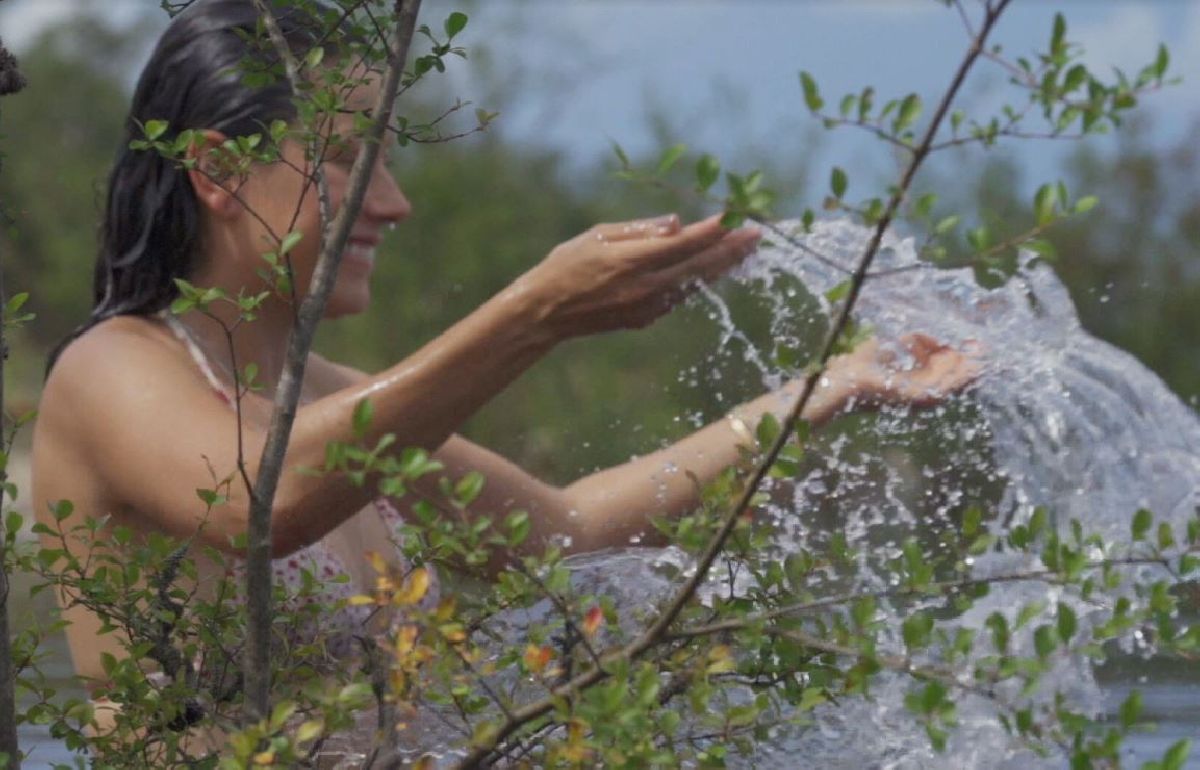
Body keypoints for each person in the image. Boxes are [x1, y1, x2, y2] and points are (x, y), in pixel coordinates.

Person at [30, 0, 977, 746]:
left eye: (387, 162)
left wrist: (824, 389)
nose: (392, 204)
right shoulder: (110, 369)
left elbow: (567, 530)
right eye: (350, 164)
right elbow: (260, 504)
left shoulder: (317, 394)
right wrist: (538, 312)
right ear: (216, 173)